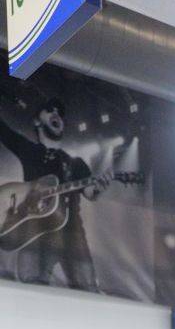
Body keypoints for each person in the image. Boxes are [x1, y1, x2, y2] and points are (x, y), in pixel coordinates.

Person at [0, 95, 108, 289]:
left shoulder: (75, 163)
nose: (56, 113)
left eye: (60, 112)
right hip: (36, 232)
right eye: (50, 109)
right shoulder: (29, 150)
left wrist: (100, 186)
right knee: (32, 290)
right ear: (36, 121)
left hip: (72, 234)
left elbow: (91, 193)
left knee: (88, 290)